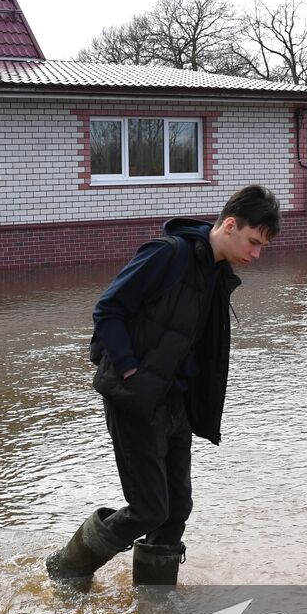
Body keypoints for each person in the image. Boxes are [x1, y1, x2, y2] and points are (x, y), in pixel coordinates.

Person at [46, 185, 279, 588]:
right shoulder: (167, 254)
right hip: (135, 399)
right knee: (149, 509)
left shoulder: (217, 275)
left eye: (262, 248)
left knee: (177, 508)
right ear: (229, 225)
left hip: (176, 404)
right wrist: (130, 370)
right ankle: (68, 567)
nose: (256, 255)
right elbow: (108, 310)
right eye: (253, 243)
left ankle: (154, 599)